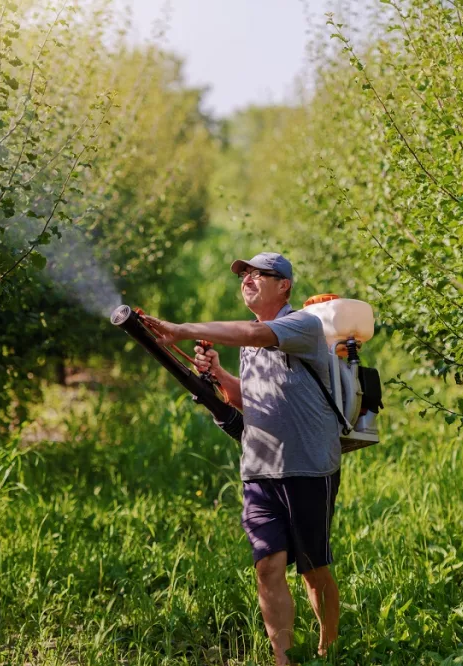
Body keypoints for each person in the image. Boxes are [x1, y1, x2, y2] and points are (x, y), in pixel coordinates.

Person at [141, 251, 341, 665]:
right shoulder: (250, 339)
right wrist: (219, 375)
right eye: (243, 274)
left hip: (306, 468)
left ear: (283, 284)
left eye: (258, 274)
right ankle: (282, 659)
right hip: (258, 470)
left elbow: (252, 336)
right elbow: (248, 400)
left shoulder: (304, 325)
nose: (247, 279)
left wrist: (180, 329)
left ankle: (329, 649)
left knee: (312, 570)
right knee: (267, 566)